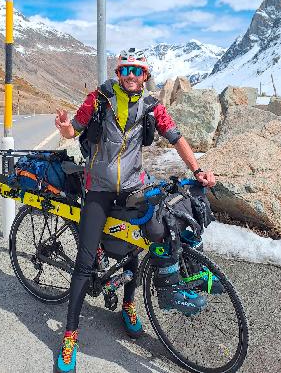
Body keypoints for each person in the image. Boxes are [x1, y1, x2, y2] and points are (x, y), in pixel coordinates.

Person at [54, 47, 216, 373]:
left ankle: (129, 305)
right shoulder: (99, 98)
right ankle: (70, 336)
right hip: (98, 189)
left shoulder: (152, 106)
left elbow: (176, 137)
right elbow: (75, 128)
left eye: (136, 70)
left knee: (135, 247)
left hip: (132, 186)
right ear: (118, 73)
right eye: (125, 70)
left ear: (145, 76)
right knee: (85, 265)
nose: (130, 75)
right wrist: (64, 129)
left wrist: (197, 170)